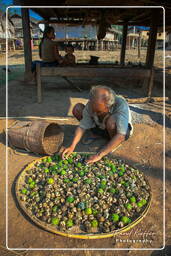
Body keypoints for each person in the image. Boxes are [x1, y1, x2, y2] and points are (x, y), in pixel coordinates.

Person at [62, 85, 133, 164]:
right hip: (101, 126)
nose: (95, 112)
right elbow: (82, 127)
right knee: (78, 109)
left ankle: (112, 143)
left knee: (111, 121)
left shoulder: (120, 104)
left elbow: (121, 135)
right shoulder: (92, 104)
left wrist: (99, 155)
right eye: (93, 109)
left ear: (109, 106)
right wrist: (72, 146)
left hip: (119, 131)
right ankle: (98, 134)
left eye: (99, 111)